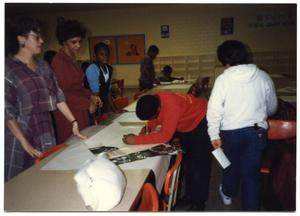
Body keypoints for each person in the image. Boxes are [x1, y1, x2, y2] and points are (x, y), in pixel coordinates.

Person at [5, 17, 86, 181]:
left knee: (44, 176)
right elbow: (6, 111)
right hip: (21, 132)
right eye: (36, 37)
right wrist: (24, 142)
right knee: (20, 181)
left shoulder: (43, 66)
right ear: (21, 38)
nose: (42, 40)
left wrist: (73, 122)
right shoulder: (8, 69)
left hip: (45, 129)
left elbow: (58, 96)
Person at [207, 40, 278, 211]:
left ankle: (228, 193)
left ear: (224, 61)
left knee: (230, 166)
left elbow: (214, 111)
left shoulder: (223, 80)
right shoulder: (262, 76)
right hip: (256, 132)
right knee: (252, 175)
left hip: (230, 134)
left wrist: (214, 135)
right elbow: (273, 107)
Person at [122, 92, 212, 210]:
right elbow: (156, 118)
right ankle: (190, 196)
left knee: (199, 166)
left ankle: (199, 203)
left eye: (152, 116)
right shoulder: (154, 99)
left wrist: (135, 140)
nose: (151, 119)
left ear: (158, 108)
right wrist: (149, 127)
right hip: (185, 122)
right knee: (188, 164)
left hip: (201, 120)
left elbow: (165, 136)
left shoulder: (172, 106)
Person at [51, 18, 101, 143]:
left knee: (84, 143)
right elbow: (62, 94)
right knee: (74, 146)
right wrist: (87, 103)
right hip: (69, 115)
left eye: (79, 41)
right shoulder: (59, 62)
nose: (78, 45)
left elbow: (78, 87)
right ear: (64, 42)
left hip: (79, 110)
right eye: (74, 42)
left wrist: (91, 96)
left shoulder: (72, 60)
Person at [85, 42, 117, 116]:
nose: (105, 57)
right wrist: (98, 116)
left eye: (107, 54)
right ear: (95, 55)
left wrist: (114, 110)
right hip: (92, 106)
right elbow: (95, 94)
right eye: (101, 54)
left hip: (103, 105)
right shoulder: (92, 68)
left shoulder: (110, 69)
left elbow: (108, 91)